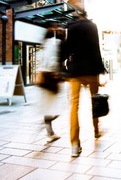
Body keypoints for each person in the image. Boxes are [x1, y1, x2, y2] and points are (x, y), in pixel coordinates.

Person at [61, 11, 106, 157]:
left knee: (74, 106)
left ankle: (75, 145)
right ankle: (96, 131)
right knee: (95, 100)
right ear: (86, 15)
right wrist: (101, 68)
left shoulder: (72, 27)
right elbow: (96, 47)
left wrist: (60, 64)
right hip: (92, 70)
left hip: (76, 71)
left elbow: (67, 48)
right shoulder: (93, 26)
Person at [37, 25, 66, 142]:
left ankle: (48, 129)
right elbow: (52, 60)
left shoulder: (44, 43)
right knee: (57, 107)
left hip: (45, 77)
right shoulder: (54, 42)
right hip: (51, 78)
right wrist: (56, 72)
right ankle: (48, 129)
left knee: (49, 106)